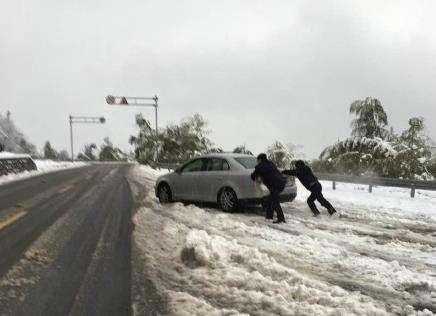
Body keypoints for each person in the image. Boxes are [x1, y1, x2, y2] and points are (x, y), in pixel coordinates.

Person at [251, 153, 287, 224]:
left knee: (274, 201)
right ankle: (269, 216)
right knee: (270, 199)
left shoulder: (260, 166)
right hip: (281, 183)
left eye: (257, 160)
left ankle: (281, 219)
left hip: (274, 185)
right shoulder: (271, 163)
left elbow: (253, 176)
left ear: (260, 160)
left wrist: (257, 177)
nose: (257, 162)